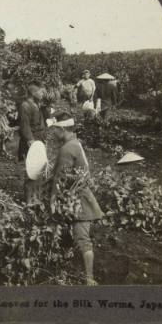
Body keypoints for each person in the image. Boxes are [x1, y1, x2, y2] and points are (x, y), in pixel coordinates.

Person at [49, 112, 104, 285]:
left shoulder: (67, 148)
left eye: (55, 129)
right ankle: (66, 254)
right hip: (78, 194)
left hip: (78, 199)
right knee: (66, 225)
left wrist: (52, 199)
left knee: (82, 236)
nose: (53, 133)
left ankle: (90, 278)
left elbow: (60, 178)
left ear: (62, 129)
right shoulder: (75, 143)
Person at [18, 83, 47, 204]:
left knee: (40, 169)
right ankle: (29, 200)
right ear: (33, 93)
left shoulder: (36, 105)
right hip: (31, 142)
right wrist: (31, 142)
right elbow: (24, 126)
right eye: (40, 92)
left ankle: (36, 197)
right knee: (31, 170)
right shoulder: (25, 106)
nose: (42, 94)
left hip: (39, 140)